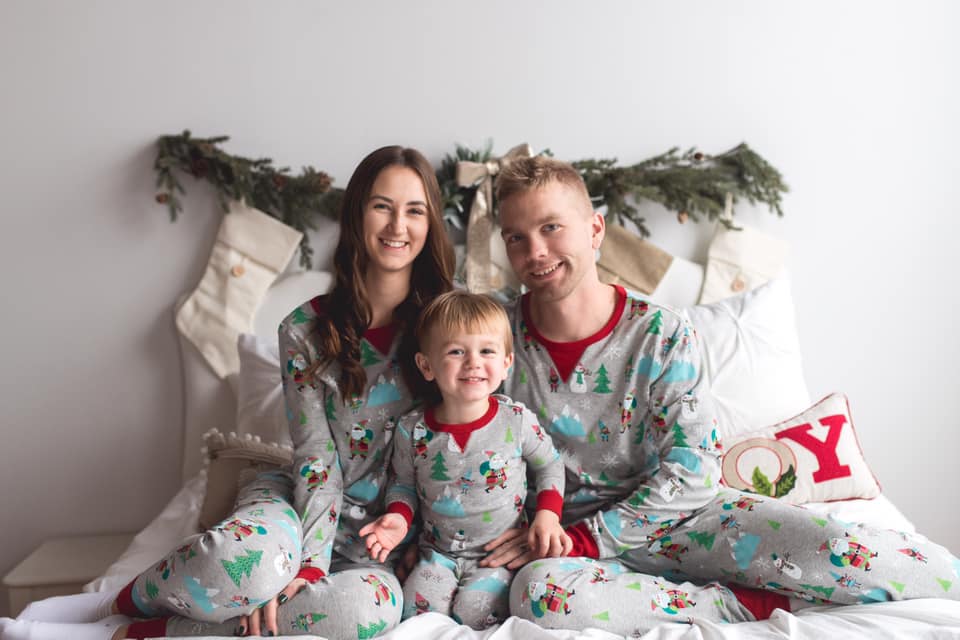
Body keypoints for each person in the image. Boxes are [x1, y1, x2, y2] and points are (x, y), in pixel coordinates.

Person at [477, 156, 960, 636]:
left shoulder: (661, 332)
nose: (535, 251)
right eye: (515, 237)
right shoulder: (492, 336)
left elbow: (693, 469)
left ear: (595, 230)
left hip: (686, 519)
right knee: (539, 595)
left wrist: (590, 538)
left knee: (849, 550)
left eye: (551, 227)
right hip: (563, 545)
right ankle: (742, 604)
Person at [8, 146, 454, 640]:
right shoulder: (306, 329)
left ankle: (135, 634)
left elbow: (471, 445)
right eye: (381, 206)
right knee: (237, 564)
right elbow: (316, 459)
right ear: (356, 215)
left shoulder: (451, 332)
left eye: (415, 210)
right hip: (300, 500)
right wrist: (306, 566)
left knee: (364, 614)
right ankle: (112, 603)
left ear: (432, 222)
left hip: (381, 541)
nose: (398, 225)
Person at [358, 290, 570, 629]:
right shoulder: (412, 429)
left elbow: (549, 465)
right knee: (418, 615)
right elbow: (403, 486)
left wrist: (547, 516)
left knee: (475, 614)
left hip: (497, 558)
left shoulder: (515, 419)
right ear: (427, 365)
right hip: (436, 555)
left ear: (505, 363)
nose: (473, 362)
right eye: (457, 351)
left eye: (486, 351)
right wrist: (397, 519)